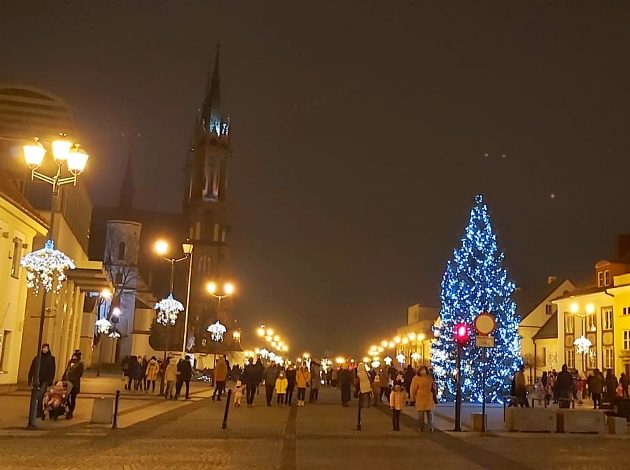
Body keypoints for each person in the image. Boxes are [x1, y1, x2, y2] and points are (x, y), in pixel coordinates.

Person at [28, 343, 56, 419]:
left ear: (48, 349)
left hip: (45, 380)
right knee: (37, 397)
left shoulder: (51, 359)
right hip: (37, 380)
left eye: (46, 348)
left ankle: (39, 412)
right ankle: (39, 412)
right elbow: (32, 369)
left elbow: (52, 370)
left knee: (40, 396)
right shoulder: (37, 358)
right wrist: (30, 379)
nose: (45, 350)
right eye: (44, 348)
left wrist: (51, 380)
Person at [410, 366, 434, 432]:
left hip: (428, 397)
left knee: (430, 414)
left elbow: (433, 386)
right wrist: (412, 398)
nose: (423, 371)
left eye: (424, 370)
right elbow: (413, 389)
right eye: (422, 370)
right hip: (420, 397)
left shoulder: (429, 377)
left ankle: (431, 426)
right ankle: (421, 426)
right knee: (420, 414)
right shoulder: (416, 378)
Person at [62, 351, 83, 419]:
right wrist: (64, 378)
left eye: (75, 356)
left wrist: (72, 379)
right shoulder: (70, 362)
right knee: (66, 398)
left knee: (73, 398)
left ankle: (71, 411)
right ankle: (68, 411)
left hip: (75, 384)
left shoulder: (80, 364)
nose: (74, 357)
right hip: (68, 383)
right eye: (73, 356)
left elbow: (79, 374)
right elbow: (66, 371)